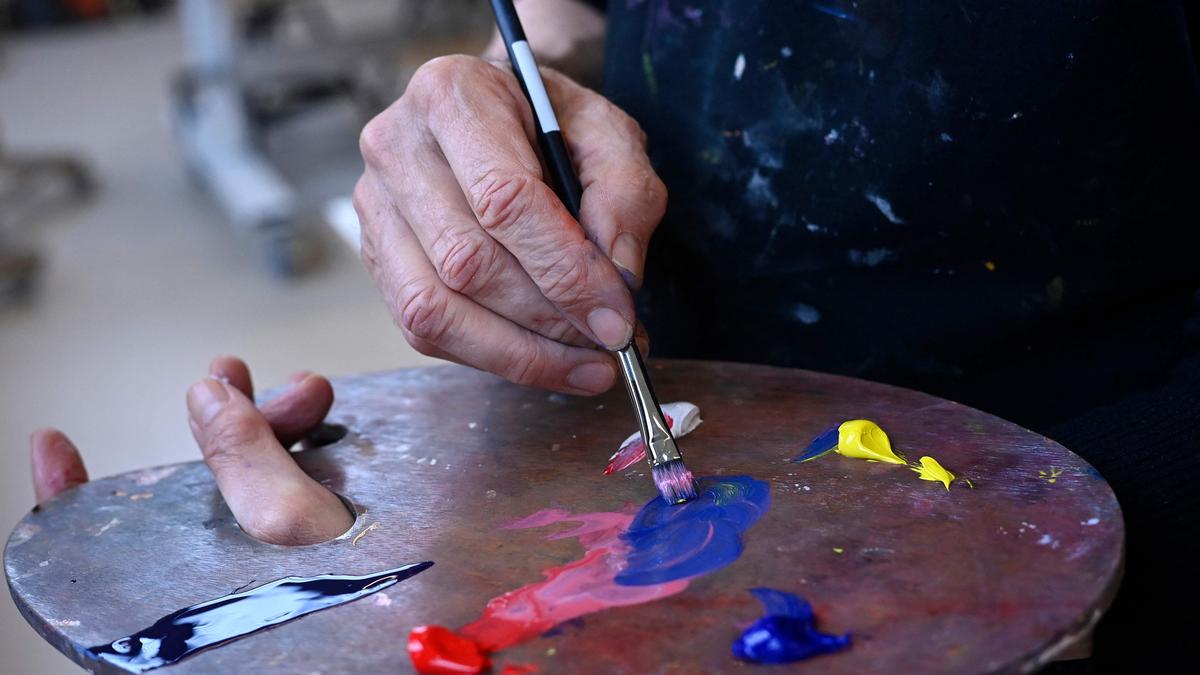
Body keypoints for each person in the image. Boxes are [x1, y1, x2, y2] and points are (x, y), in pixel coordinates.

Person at [351, 1, 1199, 671]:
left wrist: (1046, 542)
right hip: (664, 410)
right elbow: (566, 16)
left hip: (1075, 502)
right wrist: (518, 101)